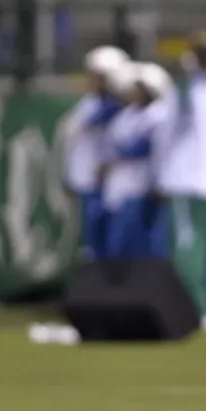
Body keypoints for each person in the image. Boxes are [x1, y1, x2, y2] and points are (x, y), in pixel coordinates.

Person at [156, 30, 206, 334]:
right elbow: (167, 135)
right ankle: (195, 309)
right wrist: (163, 175)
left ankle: (199, 307)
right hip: (185, 182)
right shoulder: (185, 90)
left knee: (200, 247)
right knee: (188, 249)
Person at [63, 45, 129, 260]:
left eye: (100, 77)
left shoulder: (121, 107)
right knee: (91, 241)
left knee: (115, 240)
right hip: (89, 180)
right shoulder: (88, 104)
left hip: (113, 183)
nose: (93, 81)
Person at [102, 62, 173, 259]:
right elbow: (113, 142)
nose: (137, 93)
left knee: (142, 239)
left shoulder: (159, 114)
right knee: (118, 239)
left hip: (144, 183)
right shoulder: (127, 114)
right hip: (121, 183)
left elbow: (140, 148)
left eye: (142, 89)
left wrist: (119, 153)